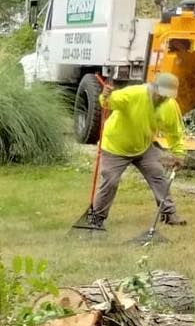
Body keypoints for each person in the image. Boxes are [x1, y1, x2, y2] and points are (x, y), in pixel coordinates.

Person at [72, 72, 187, 232]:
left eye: (167, 96)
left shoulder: (170, 105)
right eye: (161, 94)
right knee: (110, 181)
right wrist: (105, 96)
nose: (163, 98)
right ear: (153, 87)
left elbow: (176, 132)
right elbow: (108, 103)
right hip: (115, 146)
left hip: (143, 146)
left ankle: (169, 214)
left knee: (158, 174)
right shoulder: (134, 93)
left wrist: (178, 153)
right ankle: (96, 219)